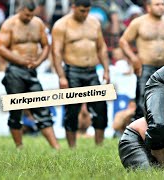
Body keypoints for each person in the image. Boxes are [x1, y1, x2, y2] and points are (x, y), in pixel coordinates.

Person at [0, 0, 59, 149]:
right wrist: (20, 60)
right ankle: (19, 147)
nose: (29, 18)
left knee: (41, 108)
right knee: (16, 110)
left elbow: (46, 46)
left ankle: (56, 147)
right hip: (15, 71)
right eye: (26, 15)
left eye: (31, 15)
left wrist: (38, 62)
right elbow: (1, 48)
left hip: (32, 70)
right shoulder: (9, 24)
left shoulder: (38, 23)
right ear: (20, 10)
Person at [52, 0, 110, 148]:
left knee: (100, 108)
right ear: (74, 8)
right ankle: (72, 147)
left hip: (92, 71)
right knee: (72, 110)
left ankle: (99, 146)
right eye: (82, 11)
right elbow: (56, 52)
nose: (85, 14)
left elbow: (101, 47)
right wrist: (61, 76)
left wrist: (106, 70)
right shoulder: (61, 25)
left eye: (87, 11)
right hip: (72, 71)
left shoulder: (94, 23)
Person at [119, 0, 164, 121]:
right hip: (145, 66)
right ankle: (139, 134)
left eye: (163, 4)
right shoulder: (139, 22)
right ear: (148, 7)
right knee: (142, 100)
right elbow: (123, 41)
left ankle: (162, 132)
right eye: (157, 4)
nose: (161, 7)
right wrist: (134, 58)